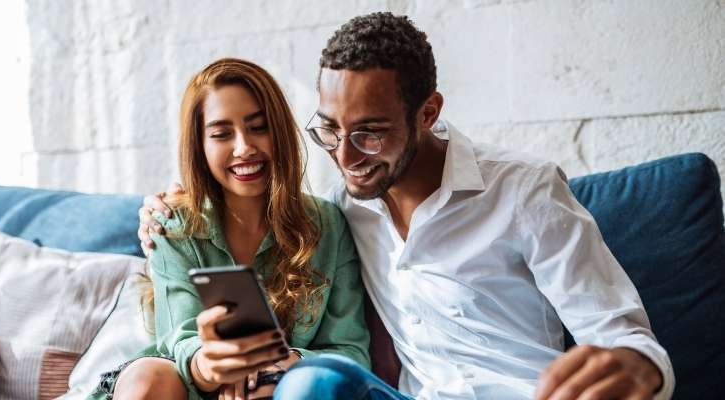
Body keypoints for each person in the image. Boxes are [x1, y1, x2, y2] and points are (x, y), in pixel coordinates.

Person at [140, 13, 674, 400]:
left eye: (370, 133)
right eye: (329, 129)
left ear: (427, 112)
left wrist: (636, 368)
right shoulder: (341, 210)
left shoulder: (524, 190)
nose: (345, 157)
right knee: (311, 384)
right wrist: (168, 204)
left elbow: (623, 336)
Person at [93, 57, 370, 400]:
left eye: (258, 127)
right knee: (148, 379)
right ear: (201, 146)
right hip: (189, 384)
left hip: (284, 387)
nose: (244, 147)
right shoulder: (174, 224)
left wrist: (284, 363)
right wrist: (211, 366)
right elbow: (179, 338)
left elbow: (350, 351)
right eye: (222, 134)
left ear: (280, 132)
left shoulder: (328, 224)